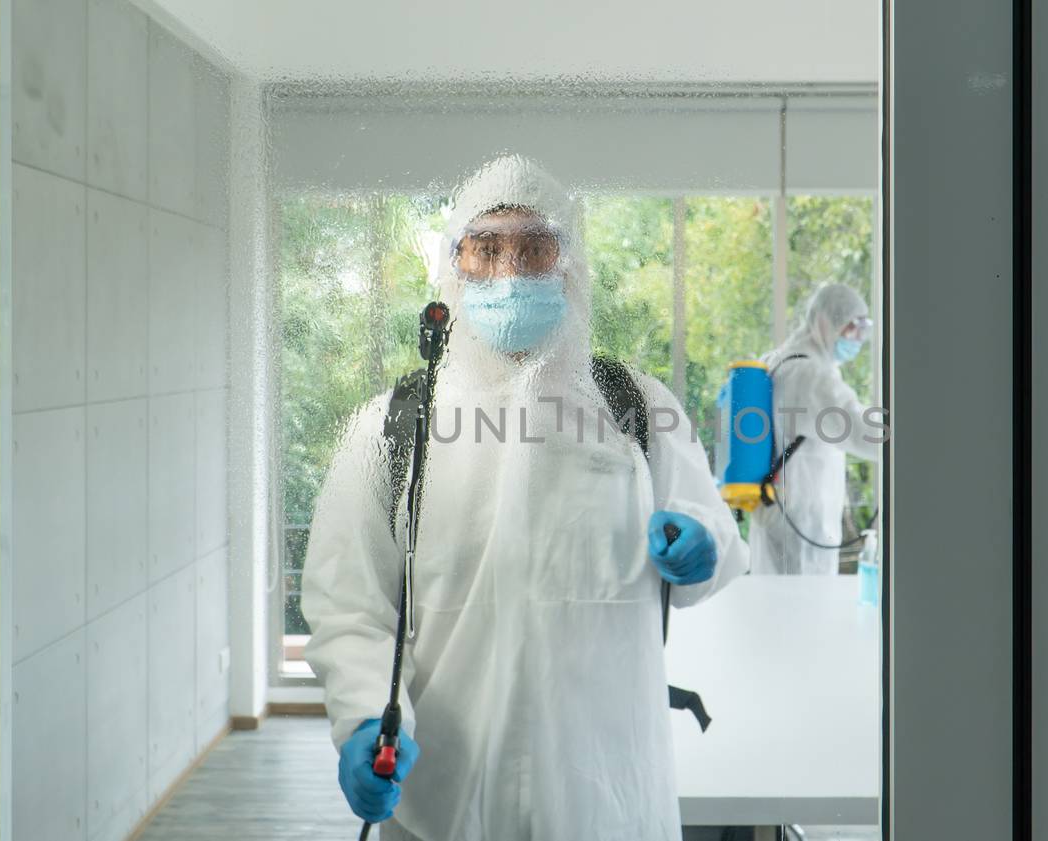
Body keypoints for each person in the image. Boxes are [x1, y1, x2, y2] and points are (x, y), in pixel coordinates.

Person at [302, 154, 749, 840]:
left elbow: (716, 538)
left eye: (534, 247)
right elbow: (348, 600)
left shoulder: (634, 408)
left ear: (568, 267)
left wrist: (702, 543)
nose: (510, 271)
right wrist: (365, 715)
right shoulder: (395, 428)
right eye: (487, 248)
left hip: (606, 794)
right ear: (454, 268)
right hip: (441, 803)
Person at [748, 283, 881, 576]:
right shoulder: (809, 376)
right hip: (800, 525)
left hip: (778, 516)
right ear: (827, 322)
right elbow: (862, 433)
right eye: (853, 328)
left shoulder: (780, 360)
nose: (859, 338)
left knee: (773, 612)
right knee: (802, 614)